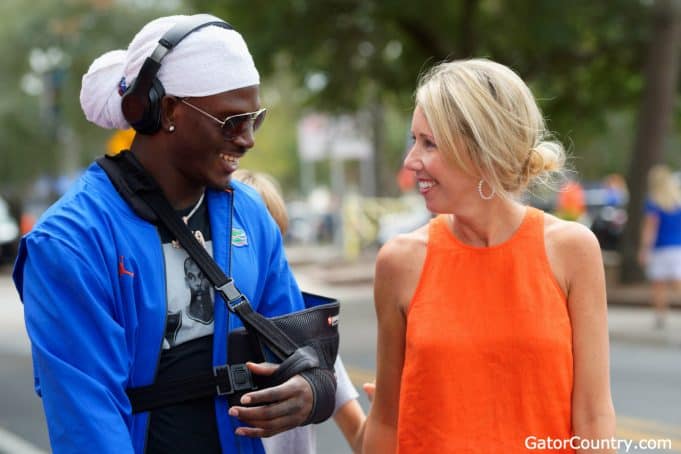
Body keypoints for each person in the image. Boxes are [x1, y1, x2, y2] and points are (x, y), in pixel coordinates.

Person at [12, 14, 336, 454]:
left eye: (254, 119)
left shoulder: (250, 214)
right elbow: (87, 424)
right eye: (231, 121)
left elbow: (293, 349)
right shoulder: (71, 241)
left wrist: (311, 390)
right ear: (167, 111)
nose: (247, 140)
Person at [363, 58, 616, 453]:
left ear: (482, 151)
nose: (411, 161)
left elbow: (593, 414)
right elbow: (386, 420)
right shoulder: (399, 262)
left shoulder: (572, 251)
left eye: (429, 143)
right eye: (414, 141)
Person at [232, 169, 366, 453]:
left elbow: (360, 435)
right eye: (242, 243)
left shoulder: (307, 333)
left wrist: (391, 413)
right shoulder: (206, 331)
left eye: (273, 243)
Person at [638, 164, 681, 329]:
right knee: (678, 282)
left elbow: (650, 228)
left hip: (660, 248)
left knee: (659, 284)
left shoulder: (653, 202)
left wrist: (644, 249)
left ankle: (660, 316)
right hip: (677, 247)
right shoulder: (678, 201)